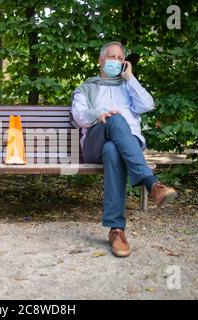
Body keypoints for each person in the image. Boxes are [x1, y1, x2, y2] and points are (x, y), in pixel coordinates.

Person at [71, 41, 177, 258]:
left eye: (120, 58)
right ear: (101, 61)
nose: (116, 62)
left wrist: (130, 78)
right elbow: (78, 115)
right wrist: (97, 116)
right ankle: (151, 183)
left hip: (124, 146)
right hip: (94, 142)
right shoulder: (87, 88)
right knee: (116, 120)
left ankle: (116, 230)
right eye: (112, 57)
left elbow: (147, 105)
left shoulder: (129, 86)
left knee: (113, 149)